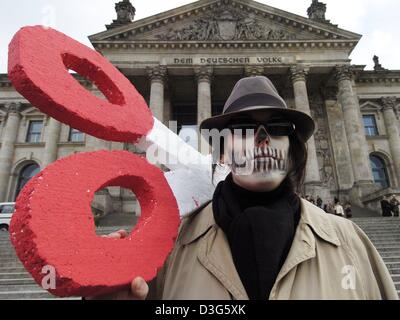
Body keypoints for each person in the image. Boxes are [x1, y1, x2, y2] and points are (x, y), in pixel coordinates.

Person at [90, 76, 398, 300]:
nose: (261, 139)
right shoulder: (170, 248)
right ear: (222, 152)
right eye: (242, 128)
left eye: (277, 128)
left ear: (292, 150)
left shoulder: (350, 243)